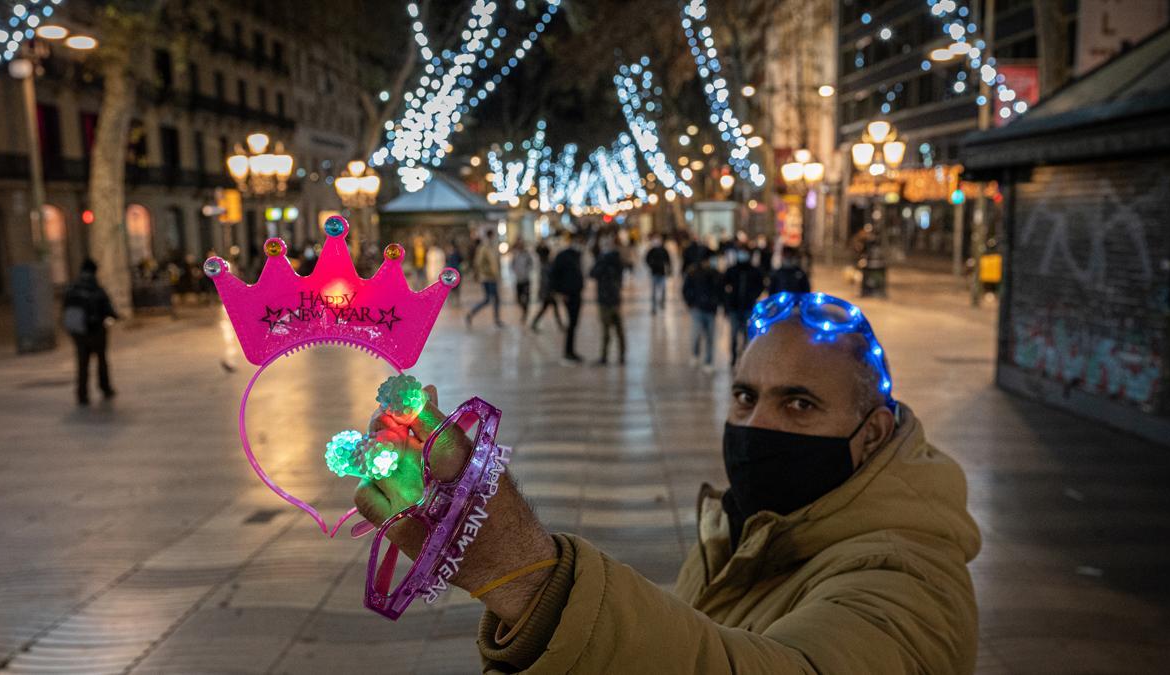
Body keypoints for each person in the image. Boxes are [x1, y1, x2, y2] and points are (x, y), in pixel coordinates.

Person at [354, 292, 980, 674]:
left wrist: (528, 575)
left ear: (871, 434)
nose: (756, 424)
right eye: (744, 396)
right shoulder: (748, 531)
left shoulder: (909, 579)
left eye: (799, 404)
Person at [61, 259, 119, 405]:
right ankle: (105, 388)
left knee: (82, 363)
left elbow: (65, 309)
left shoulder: (72, 288)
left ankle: (82, 394)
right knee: (101, 360)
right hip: (96, 330)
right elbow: (108, 308)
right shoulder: (96, 288)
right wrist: (114, 316)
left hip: (78, 332)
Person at [722, 248, 765, 369]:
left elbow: (761, 285)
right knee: (734, 334)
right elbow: (723, 286)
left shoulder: (754, 271)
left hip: (748, 307)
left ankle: (745, 358)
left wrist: (753, 295)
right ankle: (734, 357)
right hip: (734, 308)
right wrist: (727, 302)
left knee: (747, 335)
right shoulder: (732, 270)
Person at [589, 233, 625, 365]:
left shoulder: (610, 260)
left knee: (614, 329)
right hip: (609, 297)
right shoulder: (608, 259)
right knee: (612, 330)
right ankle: (609, 356)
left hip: (609, 298)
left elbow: (594, 273)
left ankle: (614, 356)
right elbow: (593, 273)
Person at [682, 258, 723, 373]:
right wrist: (690, 303)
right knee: (695, 335)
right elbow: (685, 289)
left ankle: (708, 362)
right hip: (697, 309)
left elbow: (721, 291)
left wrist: (719, 302)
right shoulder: (693, 273)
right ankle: (695, 354)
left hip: (711, 310)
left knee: (710, 337)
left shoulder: (716, 274)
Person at [549, 233, 585, 362]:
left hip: (576, 293)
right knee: (572, 323)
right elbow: (553, 275)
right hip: (568, 295)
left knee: (574, 323)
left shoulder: (577, 256)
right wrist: (560, 292)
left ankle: (570, 351)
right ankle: (568, 352)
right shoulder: (563, 256)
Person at [466, 235, 504, 328]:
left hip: (488, 277)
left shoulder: (485, 248)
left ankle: (472, 314)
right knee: (491, 299)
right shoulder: (486, 249)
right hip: (489, 278)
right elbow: (483, 263)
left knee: (490, 299)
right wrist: (492, 273)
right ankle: (495, 319)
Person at [529, 239, 564, 333]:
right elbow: (547, 280)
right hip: (548, 292)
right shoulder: (546, 265)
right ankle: (560, 325)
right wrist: (551, 290)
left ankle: (534, 323)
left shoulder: (544, 265)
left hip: (547, 291)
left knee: (546, 308)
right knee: (547, 309)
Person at [644, 234, 672, 314]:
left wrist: (669, 269)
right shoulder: (651, 250)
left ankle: (662, 303)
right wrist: (651, 265)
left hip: (662, 273)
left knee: (663, 289)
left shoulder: (663, 250)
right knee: (653, 291)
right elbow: (646, 259)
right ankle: (653, 307)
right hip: (654, 273)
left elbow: (668, 260)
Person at [509, 239, 534, 324]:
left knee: (526, 298)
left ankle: (525, 313)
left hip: (526, 280)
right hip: (518, 280)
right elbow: (512, 265)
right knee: (518, 299)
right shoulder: (515, 255)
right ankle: (524, 310)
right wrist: (515, 272)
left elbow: (531, 265)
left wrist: (526, 272)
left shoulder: (527, 255)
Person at [445, 239, 464, 306]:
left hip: (453, 272)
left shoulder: (451, 253)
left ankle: (454, 301)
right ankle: (455, 301)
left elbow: (447, 262)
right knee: (454, 287)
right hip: (455, 271)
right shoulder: (456, 252)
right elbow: (461, 260)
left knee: (452, 287)